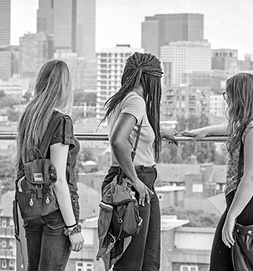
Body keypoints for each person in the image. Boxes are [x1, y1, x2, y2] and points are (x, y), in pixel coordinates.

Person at [182, 73, 253, 271]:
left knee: (227, 261)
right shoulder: (251, 125)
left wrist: (231, 217)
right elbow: (233, 128)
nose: (227, 100)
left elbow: (251, 177)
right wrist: (206, 131)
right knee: (234, 261)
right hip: (249, 201)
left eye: (229, 95)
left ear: (240, 97)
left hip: (251, 202)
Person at [100, 52, 174, 271]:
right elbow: (118, 140)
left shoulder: (124, 99)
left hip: (136, 181)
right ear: (150, 79)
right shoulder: (136, 101)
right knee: (134, 260)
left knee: (146, 256)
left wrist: (160, 133)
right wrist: (136, 181)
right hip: (135, 181)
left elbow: (132, 135)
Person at [16, 59, 84, 271]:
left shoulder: (29, 116)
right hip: (56, 210)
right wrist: (73, 229)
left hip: (32, 206)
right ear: (63, 86)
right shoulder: (61, 121)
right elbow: (59, 180)